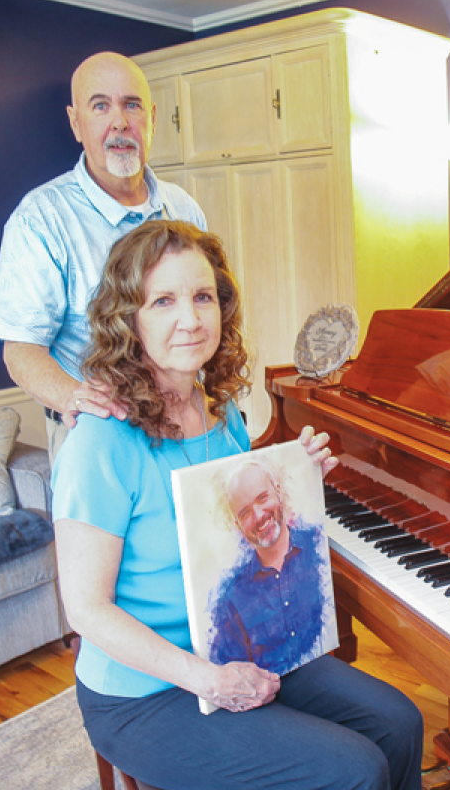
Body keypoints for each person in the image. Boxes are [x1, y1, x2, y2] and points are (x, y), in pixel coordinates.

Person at [53, 219, 423, 790]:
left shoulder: (219, 412)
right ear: (129, 318)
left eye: (203, 297)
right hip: (148, 692)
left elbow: (234, 541)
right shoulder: (100, 440)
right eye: (163, 301)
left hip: (238, 645)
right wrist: (206, 679)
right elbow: (86, 609)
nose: (191, 319)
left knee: (400, 722)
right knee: (353, 770)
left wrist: (294, 484)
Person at [0, 51, 206, 457]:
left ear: (152, 119)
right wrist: (79, 398)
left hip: (188, 423)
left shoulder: (185, 210)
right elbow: (21, 349)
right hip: (99, 434)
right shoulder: (41, 219)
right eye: (101, 105)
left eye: (132, 105)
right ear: (75, 122)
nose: (120, 122)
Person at [210, 461, 332, 675]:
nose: (258, 516)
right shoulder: (231, 599)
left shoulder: (318, 546)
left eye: (262, 498)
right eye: (245, 513)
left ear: (278, 491)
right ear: (238, 526)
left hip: (325, 669)